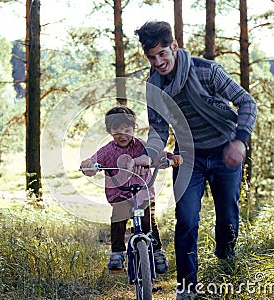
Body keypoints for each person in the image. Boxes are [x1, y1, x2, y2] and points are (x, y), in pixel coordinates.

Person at [133, 21, 257, 299]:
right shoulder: (154, 87)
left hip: (226, 151)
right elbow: (159, 129)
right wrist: (148, 155)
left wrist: (240, 141)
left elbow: (247, 102)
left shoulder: (206, 71)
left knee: (227, 219)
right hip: (188, 157)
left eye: (163, 54)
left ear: (174, 47)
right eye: (152, 57)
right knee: (186, 219)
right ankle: (187, 287)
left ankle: (226, 260)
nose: (158, 62)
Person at [80, 105, 182, 274]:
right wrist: (88, 165)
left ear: (134, 128)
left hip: (143, 194)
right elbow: (93, 163)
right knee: (118, 217)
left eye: (127, 129)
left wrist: (171, 158)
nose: (123, 135)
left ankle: (157, 253)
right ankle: (117, 253)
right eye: (117, 131)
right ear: (109, 131)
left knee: (148, 222)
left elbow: (158, 156)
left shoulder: (142, 146)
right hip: (120, 194)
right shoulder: (107, 151)